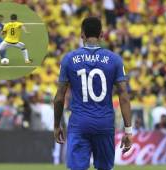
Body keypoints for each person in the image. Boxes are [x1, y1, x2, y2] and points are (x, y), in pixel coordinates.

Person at [54, 17, 132, 170]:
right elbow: (123, 95)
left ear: (82, 34)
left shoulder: (69, 59)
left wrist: (57, 125)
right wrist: (128, 131)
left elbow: (59, 98)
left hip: (79, 123)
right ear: (102, 35)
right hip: (105, 123)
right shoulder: (115, 60)